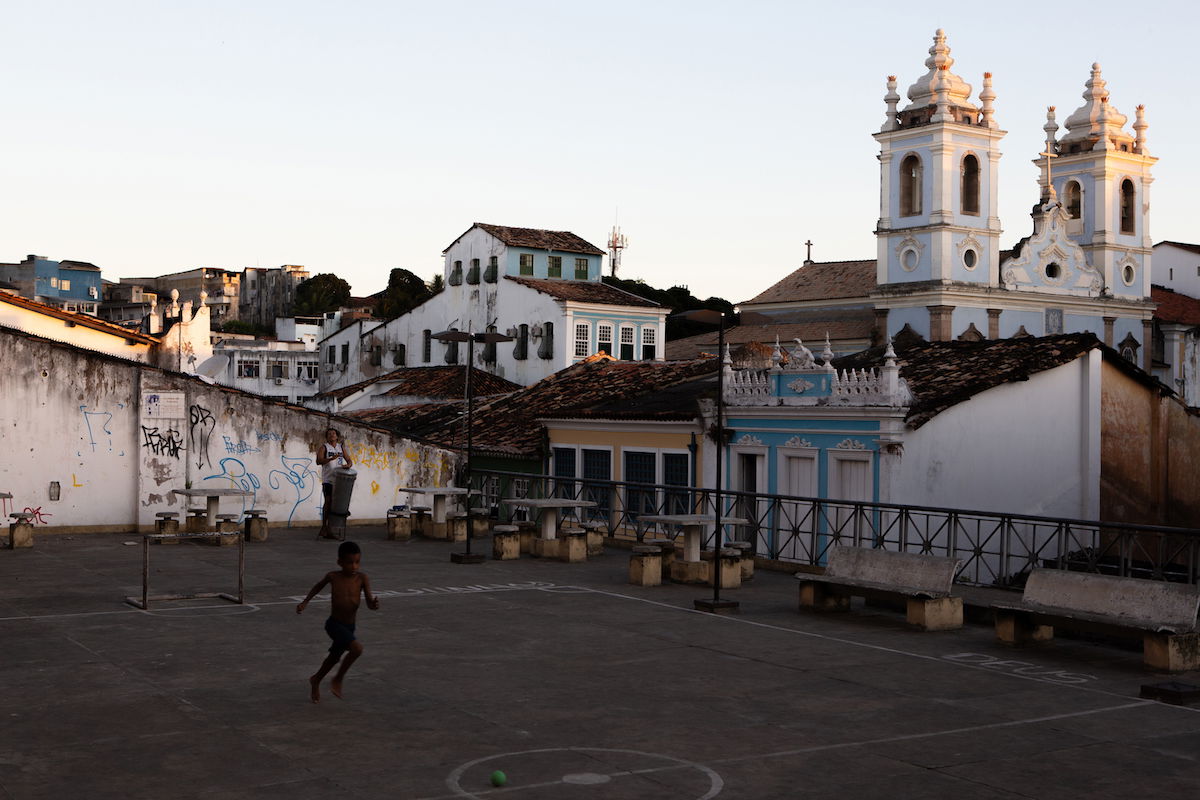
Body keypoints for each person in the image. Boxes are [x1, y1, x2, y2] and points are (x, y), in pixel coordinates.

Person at [296, 540, 380, 702]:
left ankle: (316, 679)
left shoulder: (362, 579)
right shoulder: (333, 576)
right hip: (334, 624)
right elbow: (317, 587)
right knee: (357, 649)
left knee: (334, 657)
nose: (354, 566)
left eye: (357, 562)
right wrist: (305, 602)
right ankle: (338, 678)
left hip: (350, 626)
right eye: (349, 563)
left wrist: (374, 605)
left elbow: (369, 603)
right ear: (339, 562)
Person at [316, 427, 353, 539]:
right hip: (328, 480)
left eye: (333, 433)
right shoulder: (324, 447)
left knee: (337, 504)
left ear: (337, 436)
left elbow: (349, 461)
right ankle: (324, 526)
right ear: (327, 437)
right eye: (329, 434)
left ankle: (333, 528)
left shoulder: (341, 447)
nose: (332, 435)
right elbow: (319, 461)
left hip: (340, 480)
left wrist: (348, 465)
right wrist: (331, 458)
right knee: (328, 502)